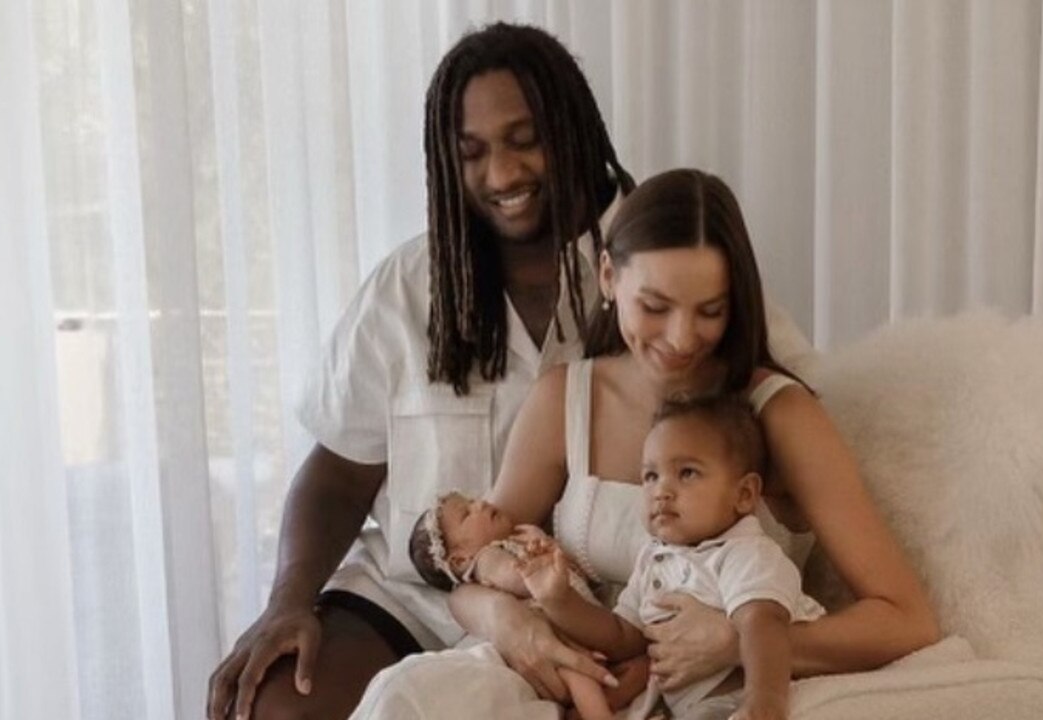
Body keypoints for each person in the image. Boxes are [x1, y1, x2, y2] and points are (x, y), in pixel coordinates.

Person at [205, 22, 820, 720]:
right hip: (417, 597)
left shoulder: (664, 260)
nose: (501, 175)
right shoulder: (407, 286)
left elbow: (777, 406)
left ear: (576, 129)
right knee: (280, 706)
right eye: (471, 153)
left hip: (595, 609)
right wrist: (286, 603)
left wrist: (746, 608)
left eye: (525, 140)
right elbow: (339, 473)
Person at [344, 169, 939, 720]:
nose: (682, 338)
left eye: (710, 311)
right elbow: (475, 564)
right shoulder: (566, 399)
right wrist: (505, 620)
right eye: (655, 306)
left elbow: (905, 619)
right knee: (406, 697)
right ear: (608, 277)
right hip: (575, 679)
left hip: (722, 692)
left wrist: (738, 641)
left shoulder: (778, 416)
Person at [518, 393, 825, 720]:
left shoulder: (746, 553)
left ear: (744, 494)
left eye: (687, 473)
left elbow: (764, 628)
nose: (661, 490)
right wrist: (559, 600)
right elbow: (624, 637)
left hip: (744, 697)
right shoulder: (655, 558)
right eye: (650, 476)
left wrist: (765, 705)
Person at [407, 491, 649, 719]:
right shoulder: (488, 557)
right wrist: (536, 562)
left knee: (612, 673)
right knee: (581, 678)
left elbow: (576, 578)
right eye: (467, 513)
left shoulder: (517, 541)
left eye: (472, 500)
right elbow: (519, 578)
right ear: (460, 559)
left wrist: (549, 549)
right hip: (552, 634)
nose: (479, 504)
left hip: (579, 623)